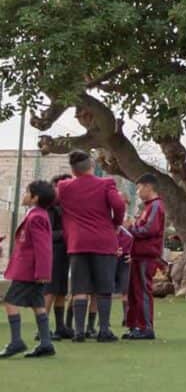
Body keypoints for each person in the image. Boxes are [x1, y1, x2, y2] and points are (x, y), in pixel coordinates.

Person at [56, 149, 127, 342]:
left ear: (73, 169)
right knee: (104, 288)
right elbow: (118, 205)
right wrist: (115, 223)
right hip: (103, 241)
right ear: (91, 166)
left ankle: (78, 331)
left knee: (79, 288)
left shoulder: (64, 186)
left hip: (77, 242)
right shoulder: (106, 184)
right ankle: (103, 330)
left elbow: (55, 204)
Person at [3, 180, 58, 358]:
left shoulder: (37, 217)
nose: (24, 195)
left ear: (35, 198)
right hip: (31, 271)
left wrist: (42, 272)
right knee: (38, 304)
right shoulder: (36, 215)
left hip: (29, 271)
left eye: (27, 192)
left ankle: (16, 341)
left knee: (10, 301)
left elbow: (43, 248)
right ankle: (45, 343)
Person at [123, 174, 165, 340]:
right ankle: (136, 326)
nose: (138, 191)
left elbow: (149, 230)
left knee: (143, 291)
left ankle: (146, 327)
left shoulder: (155, 206)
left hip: (146, 255)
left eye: (140, 187)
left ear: (149, 187)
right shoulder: (148, 207)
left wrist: (130, 228)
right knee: (135, 292)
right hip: (138, 255)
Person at [44, 173, 73, 339]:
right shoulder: (49, 208)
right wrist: (66, 234)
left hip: (64, 251)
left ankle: (60, 326)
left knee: (61, 288)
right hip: (53, 251)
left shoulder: (65, 207)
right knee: (50, 289)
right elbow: (46, 233)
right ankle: (43, 328)